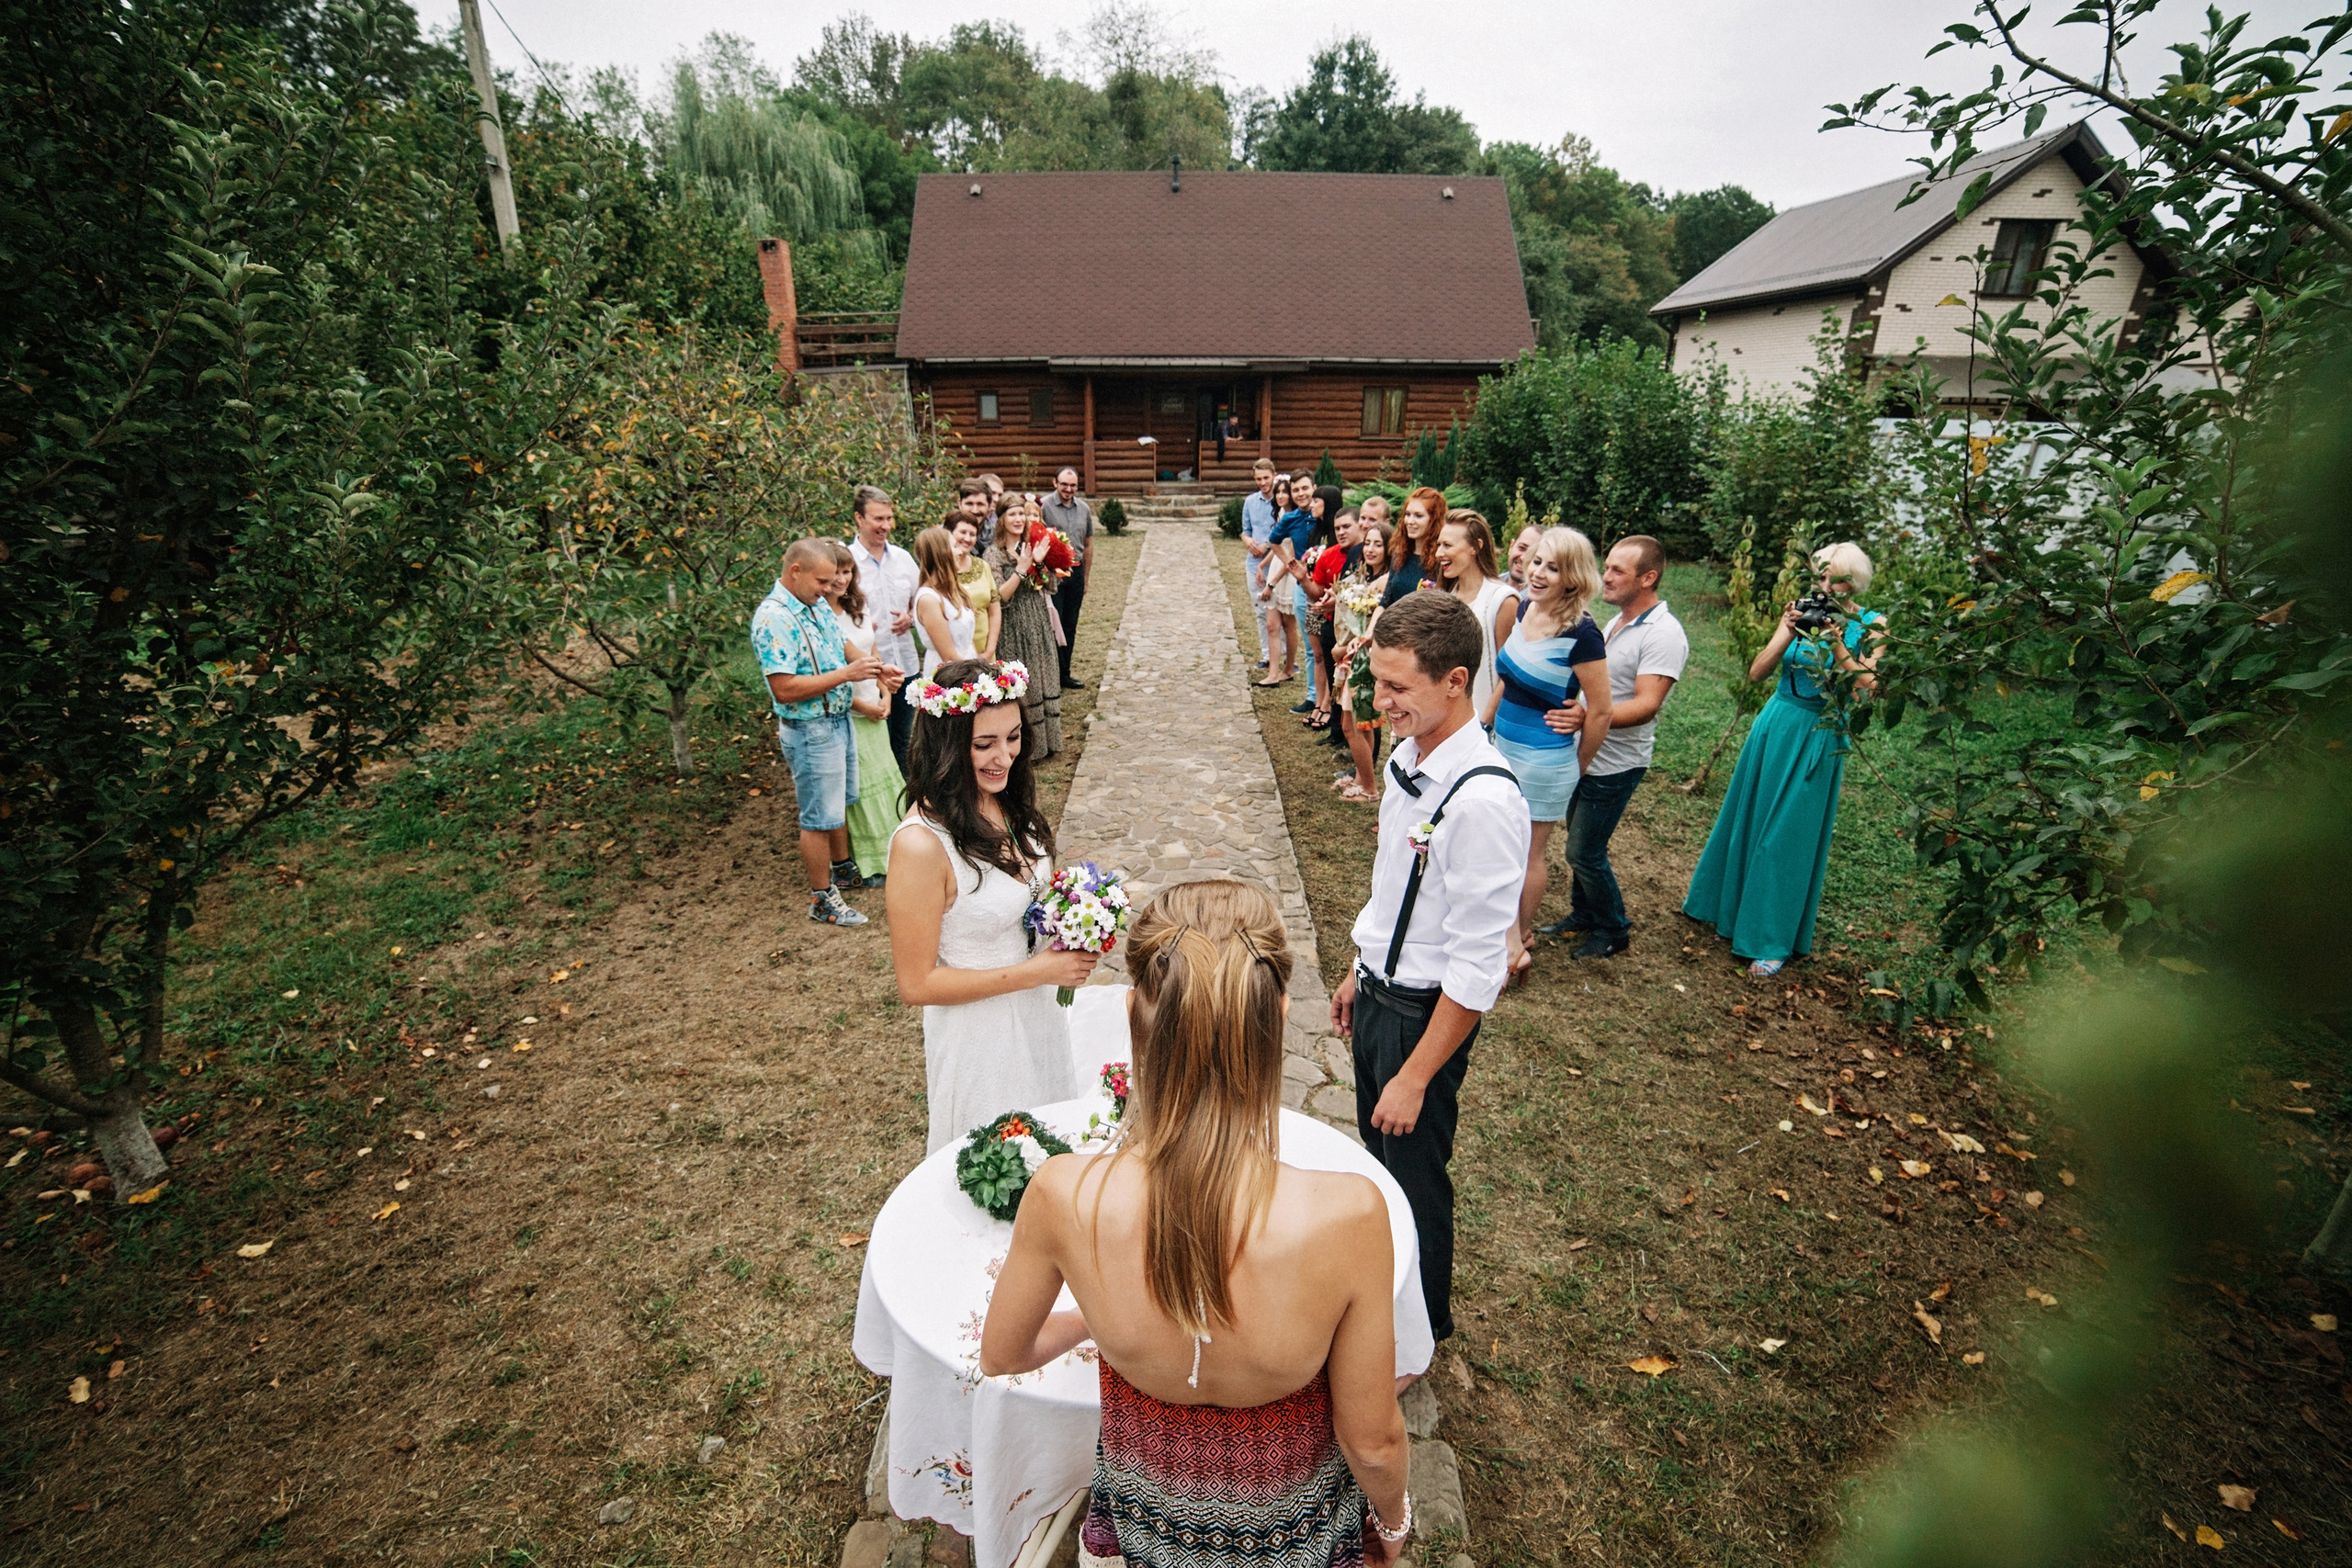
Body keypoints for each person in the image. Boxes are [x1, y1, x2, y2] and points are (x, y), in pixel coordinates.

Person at [979, 880, 1413, 1566]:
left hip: (1154, 1515)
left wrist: (1103, 1316)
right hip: (1289, 1525)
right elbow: (1373, 1441)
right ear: (1276, 1012)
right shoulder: (1351, 1215)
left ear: (1133, 1012)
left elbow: (1003, 1353)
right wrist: (1393, 1526)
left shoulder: (1063, 1193)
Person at [1332, 592, 1529, 1343]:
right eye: (1377, 682)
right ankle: (1382, 1299)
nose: (1379, 701)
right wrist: (1360, 965)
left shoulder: (1482, 803)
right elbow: (1395, 889)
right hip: (1382, 993)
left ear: (1456, 681)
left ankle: (1423, 1331)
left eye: (1396, 687)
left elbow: (1480, 966)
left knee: (1416, 1184)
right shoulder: (1408, 756)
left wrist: (1415, 1073)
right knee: (1381, 1167)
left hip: (1426, 1018)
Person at [886, 658, 1091, 1152]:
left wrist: (1072, 915)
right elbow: (916, 984)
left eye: (1014, 737)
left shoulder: (1004, 799)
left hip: (1039, 1017)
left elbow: (1022, 894)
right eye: (984, 745)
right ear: (947, 747)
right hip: (979, 1040)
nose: (1005, 756)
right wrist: (1038, 972)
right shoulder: (920, 846)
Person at [1683, 541, 1885, 978]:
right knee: (1749, 819)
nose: (1826, 586)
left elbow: (1865, 688)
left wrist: (1836, 644)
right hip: (1775, 723)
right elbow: (1757, 672)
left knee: (1786, 838)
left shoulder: (1872, 624)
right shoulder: (1802, 611)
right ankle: (1729, 915)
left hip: (1819, 734)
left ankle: (1770, 938)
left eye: (1837, 579)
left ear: (1856, 583)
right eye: (1821, 576)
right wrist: (1785, 631)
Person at [1534, 536, 1690, 959]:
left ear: (1648, 578)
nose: (1606, 576)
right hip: (1584, 750)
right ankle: (1583, 914)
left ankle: (1614, 928)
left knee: (1583, 850)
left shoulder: (1663, 634)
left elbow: (1646, 705)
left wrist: (1589, 717)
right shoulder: (1615, 621)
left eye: (1618, 571)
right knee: (1578, 841)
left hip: (1617, 763)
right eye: (1607, 567)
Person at [1479, 527, 1611, 982]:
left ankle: (1517, 939)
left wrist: (1577, 768)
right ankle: (1502, 932)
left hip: (1544, 762)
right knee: (1498, 844)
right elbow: (1507, 677)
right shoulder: (1527, 608)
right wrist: (1485, 723)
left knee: (1527, 855)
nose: (1538, 572)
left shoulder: (1583, 634)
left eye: (1553, 567)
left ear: (1573, 578)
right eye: (1537, 561)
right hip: (1504, 747)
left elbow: (1602, 711)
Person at [752, 537, 896, 928]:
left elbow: (842, 644)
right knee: (818, 816)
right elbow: (784, 688)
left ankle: (844, 869)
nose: (828, 589)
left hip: (838, 721)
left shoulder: (813, 605)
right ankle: (822, 898)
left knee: (839, 805)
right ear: (795, 571)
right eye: (821, 580)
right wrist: (848, 676)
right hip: (810, 729)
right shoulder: (773, 618)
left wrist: (877, 669)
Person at [823, 541, 908, 890]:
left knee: (887, 781)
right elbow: (833, 676)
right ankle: (870, 859)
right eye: (835, 573)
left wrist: (886, 694)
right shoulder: (820, 617)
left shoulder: (857, 609)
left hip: (877, 704)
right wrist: (866, 706)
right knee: (863, 789)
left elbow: (873, 654)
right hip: (852, 713)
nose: (842, 579)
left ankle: (897, 851)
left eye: (847, 572)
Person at [847, 486, 922, 772]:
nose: (886, 526)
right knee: (875, 742)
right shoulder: (846, 562)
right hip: (867, 671)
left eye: (889, 518)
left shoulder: (902, 558)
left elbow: (923, 596)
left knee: (904, 739)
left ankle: (903, 797)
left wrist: (911, 617)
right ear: (859, 518)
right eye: (878, 519)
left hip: (905, 665)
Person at [985, 501, 1065, 757]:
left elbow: (1051, 586)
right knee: (1023, 685)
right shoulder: (993, 554)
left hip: (1037, 619)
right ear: (1002, 520)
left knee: (1043, 675)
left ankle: (1049, 743)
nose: (1018, 519)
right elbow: (1000, 596)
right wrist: (1021, 569)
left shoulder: (1031, 546)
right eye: (1012, 514)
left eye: (1021, 514)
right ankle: (1028, 748)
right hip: (1012, 624)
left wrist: (1040, 564)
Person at [1430, 511, 1519, 721]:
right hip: (1445, 717)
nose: (1438, 554)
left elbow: (1510, 671)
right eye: (1439, 545)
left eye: (1448, 545)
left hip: (1483, 722)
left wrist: (1485, 722)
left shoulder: (1502, 600)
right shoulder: (1447, 596)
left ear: (1476, 547)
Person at [1332, 517, 1392, 803]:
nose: (1370, 549)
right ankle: (1361, 776)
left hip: (1366, 658)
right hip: (1355, 654)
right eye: (1367, 543)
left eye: (1378, 545)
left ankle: (1369, 787)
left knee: (1352, 723)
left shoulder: (1385, 581)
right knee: (1358, 722)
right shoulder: (1364, 577)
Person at [1306, 506, 1360, 734]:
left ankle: (1349, 735)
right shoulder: (1330, 554)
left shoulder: (1361, 555)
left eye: (1347, 526)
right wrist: (1302, 579)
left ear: (1360, 526)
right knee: (1333, 677)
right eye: (1337, 528)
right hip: (1332, 625)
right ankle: (1336, 732)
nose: (1341, 532)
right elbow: (1318, 590)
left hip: (1356, 631)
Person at [1257, 478, 1314, 690]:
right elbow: (1276, 546)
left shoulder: (1299, 519)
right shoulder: (1283, 516)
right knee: (1272, 624)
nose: (1280, 496)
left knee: (1289, 625)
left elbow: (1291, 556)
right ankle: (1272, 673)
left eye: (1285, 492)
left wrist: (1271, 584)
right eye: (1277, 492)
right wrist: (1262, 565)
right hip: (1275, 570)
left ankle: (1288, 668)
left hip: (1288, 574)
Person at [1040, 468, 1093, 689]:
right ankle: (1051, 675)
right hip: (1053, 574)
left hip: (1076, 572)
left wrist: (1086, 579)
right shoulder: (1043, 506)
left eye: (1073, 485)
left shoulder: (1084, 509)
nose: (1068, 489)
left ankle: (1065, 674)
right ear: (1055, 483)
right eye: (1064, 484)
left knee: (1070, 625)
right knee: (1055, 624)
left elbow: (1088, 545)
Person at [910, 525, 978, 680]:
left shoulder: (953, 591)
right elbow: (949, 656)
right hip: (950, 675)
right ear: (941, 553)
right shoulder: (929, 599)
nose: (960, 551)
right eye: (954, 546)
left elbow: (967, 641)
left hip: (968, 668)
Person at [1239, 460, 1280, 669]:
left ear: (1274, 475)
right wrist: (1247, 540)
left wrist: (1267, 546)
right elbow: (1245, 529)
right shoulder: (1250, 501)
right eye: (1258, 479)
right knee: (1261, 610)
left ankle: (1280, 655)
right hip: (1253, 562)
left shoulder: (1281, 500)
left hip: (1275, 560)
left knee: (1279, 609)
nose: (1263, 482)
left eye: (1266, 478)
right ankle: (1267, 655)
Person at [1380, 488, 1443, 608]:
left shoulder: (1441, 560)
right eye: (1407, 515)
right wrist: (1372, 627)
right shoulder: (1400, 554)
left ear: (1434, 520)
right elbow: (1385, 601)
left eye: (1418, 516)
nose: (1410, 521)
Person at [949, 514, 1001, 659]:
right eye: (963, 532)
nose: (967, 538)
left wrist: (989, 651)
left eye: (972, 534)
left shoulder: (983, 566)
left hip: (986, 650)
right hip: (955, 653)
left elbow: (994, 611)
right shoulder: (942, 572)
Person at [1503, 522, 1544, 592]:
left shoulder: (1540, 602)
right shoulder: (1487, 585)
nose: (1523, 558)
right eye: (1522, 548)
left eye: (1533, 554)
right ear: (1511, 546)